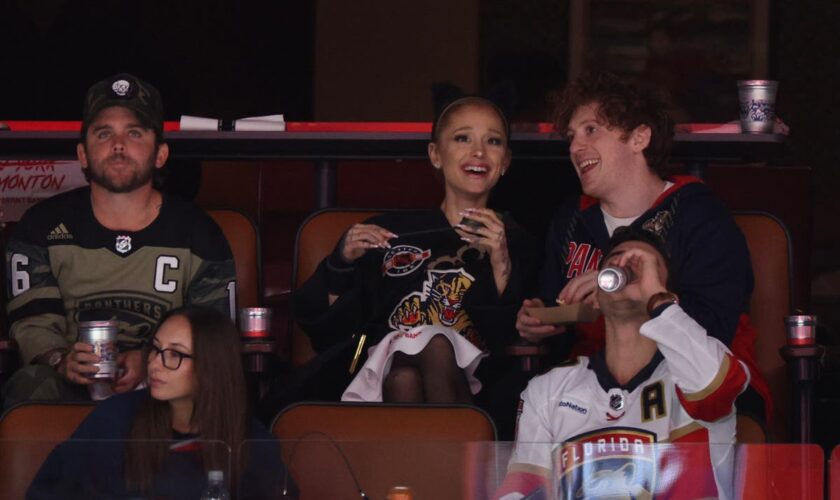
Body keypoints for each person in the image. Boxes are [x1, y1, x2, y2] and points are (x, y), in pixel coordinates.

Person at [515, 72, 769, 431]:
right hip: (595, 385)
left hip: (693, 383)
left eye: (591, 130)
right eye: (571, 137)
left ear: (639, 137)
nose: (574, 147)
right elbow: (556, 308)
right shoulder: (571, 218)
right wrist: (541, 319)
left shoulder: (698, 213)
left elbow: (715, 324)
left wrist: (624, 287)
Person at [3, 73, 236, 408]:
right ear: (82, 154)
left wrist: (151, 360)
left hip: (163, 388)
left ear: (160, 154)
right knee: (29, 385)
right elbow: (32, 324)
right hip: (72, 388)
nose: (118, 144)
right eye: (104, 133)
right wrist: (61, 359)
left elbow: (214, 337)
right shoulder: (41, 227)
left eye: (135, 133)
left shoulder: (198, 234)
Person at [293, 96, 536, 405]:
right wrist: (341, 262)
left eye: (493, 141)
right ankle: (449, 453)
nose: (479, 152)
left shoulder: (517, 241)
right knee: (405, 372)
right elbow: (328, 334)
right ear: (435, 154)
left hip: (478, 386)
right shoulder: (391, 232)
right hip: (376, 382)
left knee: (417, 363)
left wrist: (501, 263)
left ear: (505, 162)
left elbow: (513, 344)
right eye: (463, 138)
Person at [496, 228, 749, 500]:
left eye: (643, 266)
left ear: (668, 297)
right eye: (614, 261)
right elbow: (520, 490)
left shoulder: (695, 370)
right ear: (597, 294)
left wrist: (655, 297)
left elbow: (719, 386)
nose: (624, 267)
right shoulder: (548, 390)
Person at [28, 306, 294, 499]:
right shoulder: (114, 420)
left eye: (174, 354)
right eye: (155, 349)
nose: (155, 364)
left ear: (211, 368)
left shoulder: (251, 442)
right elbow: (45, 492)